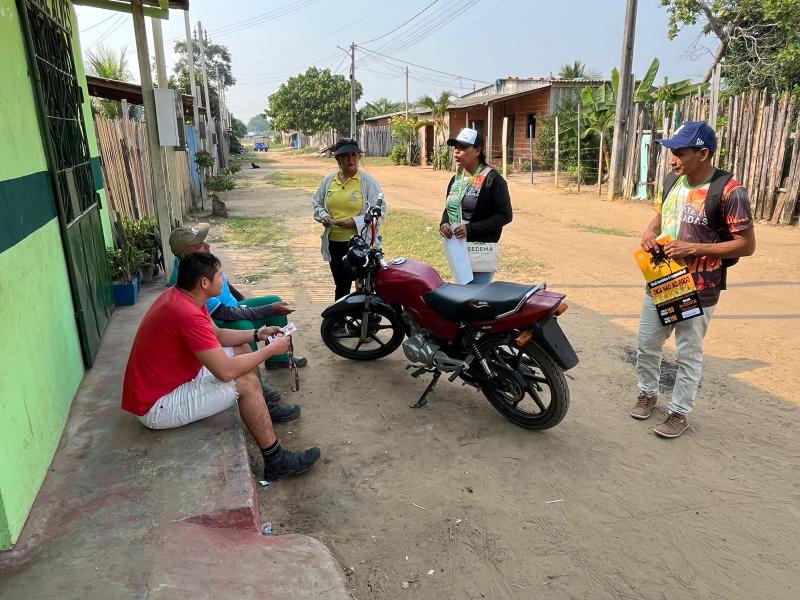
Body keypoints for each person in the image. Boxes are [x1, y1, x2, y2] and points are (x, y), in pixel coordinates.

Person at [122, 252, 320, 480]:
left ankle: (262, 407)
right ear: (204, 283)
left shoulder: (184, 297)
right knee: (245, 383)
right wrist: (270, 350)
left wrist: (258, 334)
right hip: (157, 405)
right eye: (220, 275)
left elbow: (218, 335)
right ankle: (276, 461)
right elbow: (225, 372)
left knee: (241, 348)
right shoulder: (187, 313)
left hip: (168, 382)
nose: (224, 280)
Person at [631, 121, 756, 439]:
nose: (672, 160)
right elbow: (660, 215)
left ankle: (678, 413)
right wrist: (649, 232)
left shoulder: (730, 191)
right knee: (647, 344)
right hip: (663, 279)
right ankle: (647, 394)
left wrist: (694, 248)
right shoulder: (673, 180)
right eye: (671, 152)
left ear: (703, 154)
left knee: (687, 354)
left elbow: (746, 245)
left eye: (680, 153)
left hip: (699, 287)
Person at [167, 225, 306, 422]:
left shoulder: (203, 264)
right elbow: (224, 313)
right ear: (185, 253)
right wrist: (267, 310)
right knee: (245, 327)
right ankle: (257, 385)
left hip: (230, 311)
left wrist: (251, 304)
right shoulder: (189, 280)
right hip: (219, 319)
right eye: (199, 244)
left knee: (273, 301)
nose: (207, 245)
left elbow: (228, 289)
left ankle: (278, 359)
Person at [312, 138, 387, 300]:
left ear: (359, 157)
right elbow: (317, 203)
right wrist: (323, 216)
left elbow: (380, 212)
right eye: (345, 155)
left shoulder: (368, 182)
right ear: (338, 159)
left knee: (365, 287)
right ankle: (341, 316)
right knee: (341, 286)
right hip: (334, 243)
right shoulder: (328, 181)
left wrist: (355, 222)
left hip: (361, 244)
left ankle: (365, 316)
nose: (350, 159)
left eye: (354, 155)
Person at [439, 128, 513, 284]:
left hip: (480, 253)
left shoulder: (493, 179)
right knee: (463, 294)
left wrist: (471, 229)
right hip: (458, 251)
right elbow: (450, 208)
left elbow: (505, 215)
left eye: (463, 147)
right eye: (455, 147)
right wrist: (444, 223)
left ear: (478, 150)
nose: (457, 152)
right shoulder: (456, 179)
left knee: (476, 295)